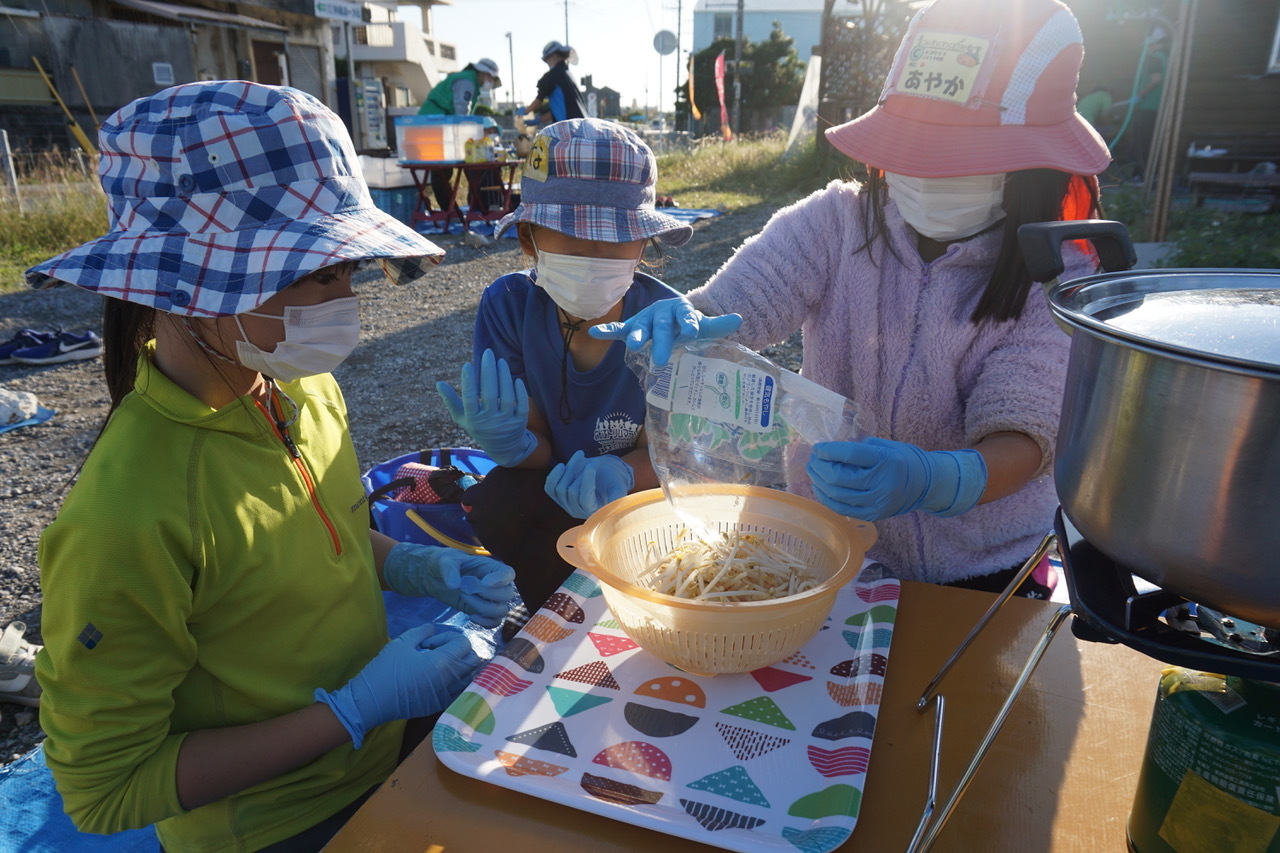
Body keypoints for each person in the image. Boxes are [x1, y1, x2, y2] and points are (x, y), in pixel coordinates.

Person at [25, 81, 516, 851]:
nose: (344, 298)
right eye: (317, 271)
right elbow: (105, 788)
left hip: (379, 759)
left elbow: (328, 532)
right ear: (190, 286)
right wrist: (349, 711)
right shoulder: (125, 513)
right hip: (275, 824)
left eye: (346, 269)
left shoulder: (300, 383)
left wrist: (419, 567)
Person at [594, 0, 1111, 599]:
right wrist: (694, 319)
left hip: (986, 568)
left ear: (1032, 168)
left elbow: (1026, 433)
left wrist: (934, 479)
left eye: (962, 157)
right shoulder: (835, 221)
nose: (926, 172)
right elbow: (742, 305)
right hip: (830, 544)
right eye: (916, 148)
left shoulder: (1053, 273)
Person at [435, 118, 721, 632]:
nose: (595, 256)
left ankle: (626, 618)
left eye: (616, 240)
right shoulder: (510, 305)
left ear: (643, 244)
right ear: (529, 239)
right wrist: (515, 446)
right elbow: (540, 445)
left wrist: (621, 474)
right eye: (570, 237)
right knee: (500, 498)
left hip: (641, 501)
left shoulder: (666, 320)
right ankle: (551, 623)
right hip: (552, 489)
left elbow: (679, 454)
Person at [417, 58, 503, 214]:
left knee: (443, 171)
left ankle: (451, 210)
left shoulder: (468, 80)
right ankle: (450, 211)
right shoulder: (467, 81)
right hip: (434, 124)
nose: (490, 82)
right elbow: (461, 113)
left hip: (437, 123)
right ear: (483, 73)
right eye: (490, 78)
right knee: (442, 170)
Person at [526, 41, 587, 125]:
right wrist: (539, 120)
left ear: (553, 56)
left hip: (570, 130)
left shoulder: (553, 75)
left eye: (547, 59)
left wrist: (525, 112)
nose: (547, 62)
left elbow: (538, 101)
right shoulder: (567, 74)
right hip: (582, 125)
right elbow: (558, 111)